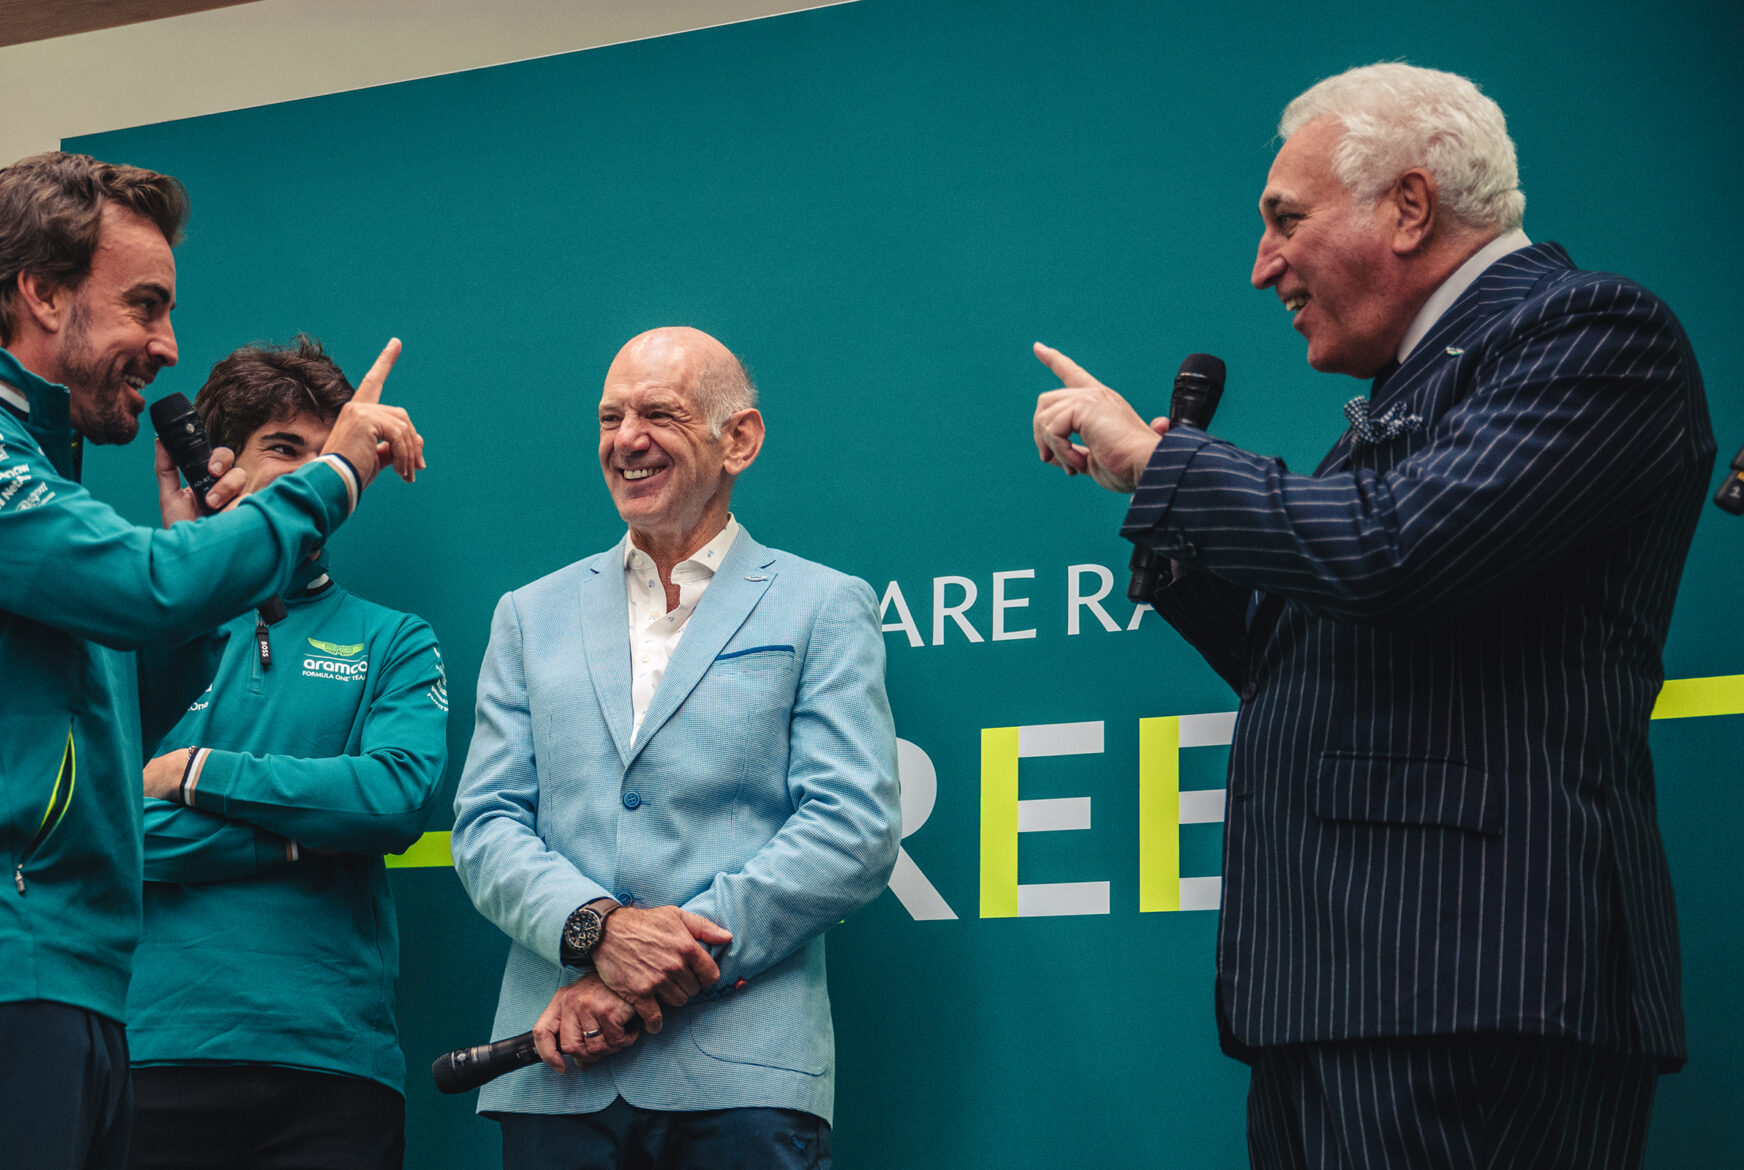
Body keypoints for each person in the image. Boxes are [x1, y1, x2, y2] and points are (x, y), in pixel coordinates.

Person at [1028, 64, 1709, 1167]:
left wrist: (1167, 467)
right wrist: (1165, 510)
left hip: (1472, 990)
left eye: (1285, 220)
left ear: (1408, 205)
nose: (1262, 267)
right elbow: (1316, 647)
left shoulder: (1591, 330)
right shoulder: (1419, 386)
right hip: (1342, 994)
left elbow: (1395, 552)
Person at [0, 153, 424, 1170]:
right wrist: (332, 476)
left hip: (70, 982)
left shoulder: (38, 476)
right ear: (41, 292)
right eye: (144, 305)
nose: (167, 344)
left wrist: (192, 582)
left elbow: (118, 712)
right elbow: (146, 587)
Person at [450, 327, 900, 1169]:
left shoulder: (823, 605)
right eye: (610, 418)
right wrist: (596, 930)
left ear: (739, 440)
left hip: (743, 1082)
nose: (627, 440)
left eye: (659, 413)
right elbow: (486, 827)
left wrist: (654, 964)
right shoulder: (527, 615)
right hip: (555, 1073)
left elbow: (853, 829)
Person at [124, 337, 448, 1170]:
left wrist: (197, 774)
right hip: (151, 1049)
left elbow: (395, 798)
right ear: (220, 465)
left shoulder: (395, 640)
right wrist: (303, 839)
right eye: (284, 449)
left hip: (333, 1065)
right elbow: (108, 833)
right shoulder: (142, 630)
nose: (314, 472)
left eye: (327, 451)